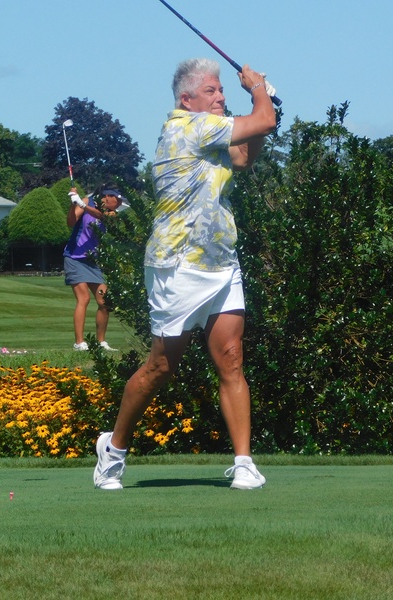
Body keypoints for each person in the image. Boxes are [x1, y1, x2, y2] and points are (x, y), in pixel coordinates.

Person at [93, 58, 277, 491]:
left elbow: (244, 157)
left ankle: (244, 462)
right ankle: (113, 448)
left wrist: (266, 105)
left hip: (221, 263)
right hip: (177, 265)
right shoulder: (186, 127)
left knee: (231, 357)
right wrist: (259, 90)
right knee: (161, 366)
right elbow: (263, 120)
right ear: (186, 99)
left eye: (222, 90)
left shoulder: (210, 134)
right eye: (212, 91)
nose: (221, 97)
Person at [63, 183, 125, 351]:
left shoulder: (112, 213)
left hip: (93, 261)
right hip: (74, 257)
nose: (120, 203)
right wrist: (74, 203)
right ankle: (79, 343)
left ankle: (100, 342)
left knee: (104, 302)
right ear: (107, 196)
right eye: (118, 199)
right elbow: (70, 222)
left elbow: (101, 216)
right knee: (83, 299)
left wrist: (82, 204)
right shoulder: (86, 201)